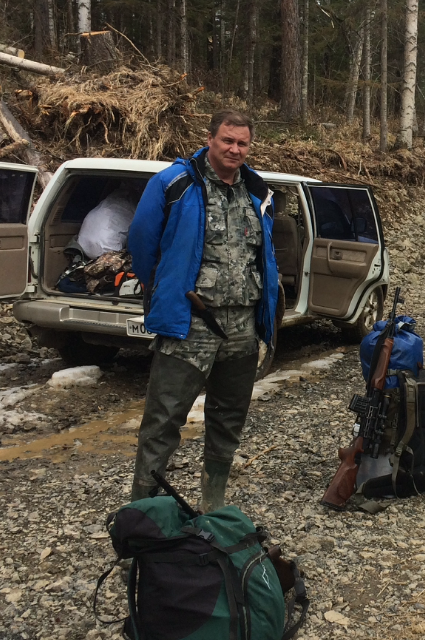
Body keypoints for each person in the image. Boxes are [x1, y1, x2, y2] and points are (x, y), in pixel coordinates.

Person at [127, 111, 279, 511]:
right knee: (163, 421)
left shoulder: (257, 191)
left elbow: (263, 254)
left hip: (242, 328)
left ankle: (213, 506)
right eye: (227, 140)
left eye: (242, 143)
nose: (235, 149)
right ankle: (143, 517)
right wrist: (164, 288)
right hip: (189, 324)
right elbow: (142, 242)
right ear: (210, 139)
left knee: (229, 420)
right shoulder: (174, 183)